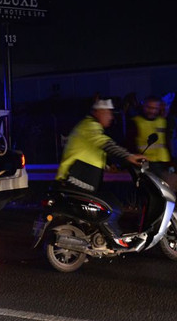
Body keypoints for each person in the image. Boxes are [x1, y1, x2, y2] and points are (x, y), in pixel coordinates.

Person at [56, 98, 146, 247]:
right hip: (74, 180)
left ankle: (97, 238)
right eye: (109, 113)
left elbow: (90, 152)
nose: (111, 117)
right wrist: (129, 156)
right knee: (113, 207)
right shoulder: (90, 126)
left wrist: (109, 167)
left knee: (109, 202)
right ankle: (115, 241)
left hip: (79, 179)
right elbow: (106, 144)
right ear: (99, 112)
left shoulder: (88, 127)